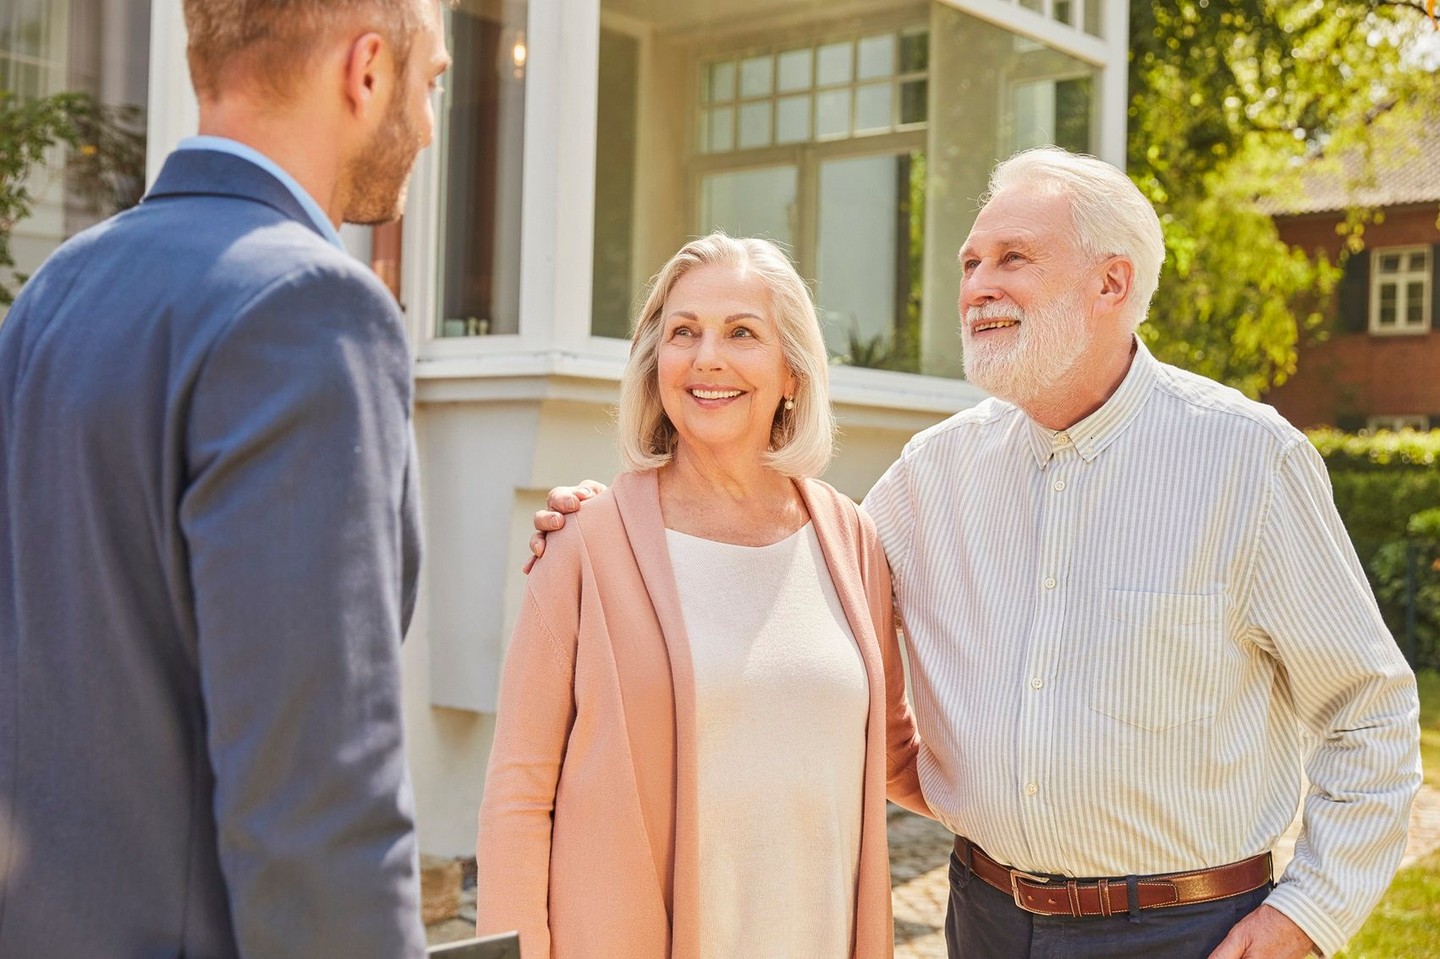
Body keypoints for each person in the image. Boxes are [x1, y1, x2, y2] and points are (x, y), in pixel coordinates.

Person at [529, 148, 1421, 959]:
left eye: (1013, 259)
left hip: (1189, 932)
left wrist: (1309, 913)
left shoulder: (1249, 460)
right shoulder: (932, 475)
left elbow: (1370, 715)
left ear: (1112, 282)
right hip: (986, 919)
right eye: (969, 263)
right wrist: (616, 517)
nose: (977, 286)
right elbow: (786, 577)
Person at [0, 1, 450, 955]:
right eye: (433, 83)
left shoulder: (50, 297)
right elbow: (319, 812)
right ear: (366, 72)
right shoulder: (310, 309)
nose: (430, 120)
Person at [475, 233, 929, 959]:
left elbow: (900, 754)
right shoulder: (584, 543)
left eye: (742, 332)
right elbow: (519, 797)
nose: (707, 356)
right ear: (657, 364)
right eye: (683, 332)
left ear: (793, 373)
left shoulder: (851, 540)